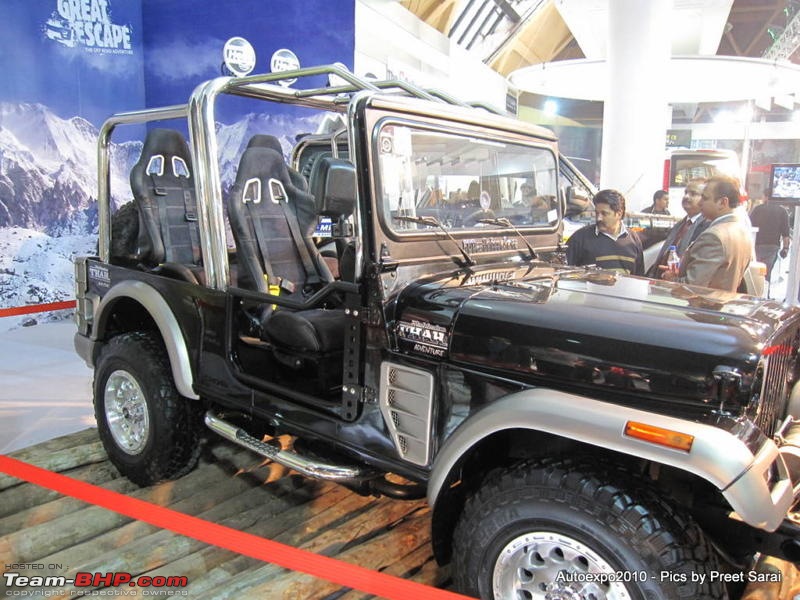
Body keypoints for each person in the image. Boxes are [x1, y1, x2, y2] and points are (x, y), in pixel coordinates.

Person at [660, 175, 752, 292]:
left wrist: (671, 278)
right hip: (720, 304)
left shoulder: (714, 236)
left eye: (705, 198)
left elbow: (691, 287)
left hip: (703, 306)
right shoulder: (741, 231)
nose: (700, 203)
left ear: (723, 202)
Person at [566, 188, 644, 276]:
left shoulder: (633, 240)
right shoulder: (580, 238)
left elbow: (639, 277)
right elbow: (566, 274)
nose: (599, 218)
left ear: (619, 213)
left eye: (604, 213)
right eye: (597, 213)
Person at [647, 178, 709, 278]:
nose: (686, 197)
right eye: (685, 192)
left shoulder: (706, 228)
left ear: (705, 199)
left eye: (693, 194)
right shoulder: (680, 224)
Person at [749, 189, 791, 282]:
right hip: (772, 247)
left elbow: (749, 227)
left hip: (757, 245)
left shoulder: (758, 209)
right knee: (766, 274)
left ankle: (756, 292)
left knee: (755, 273)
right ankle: (765, 292)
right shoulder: (782, 211)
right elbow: (785, 233)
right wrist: (785, 248)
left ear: (766, 197)